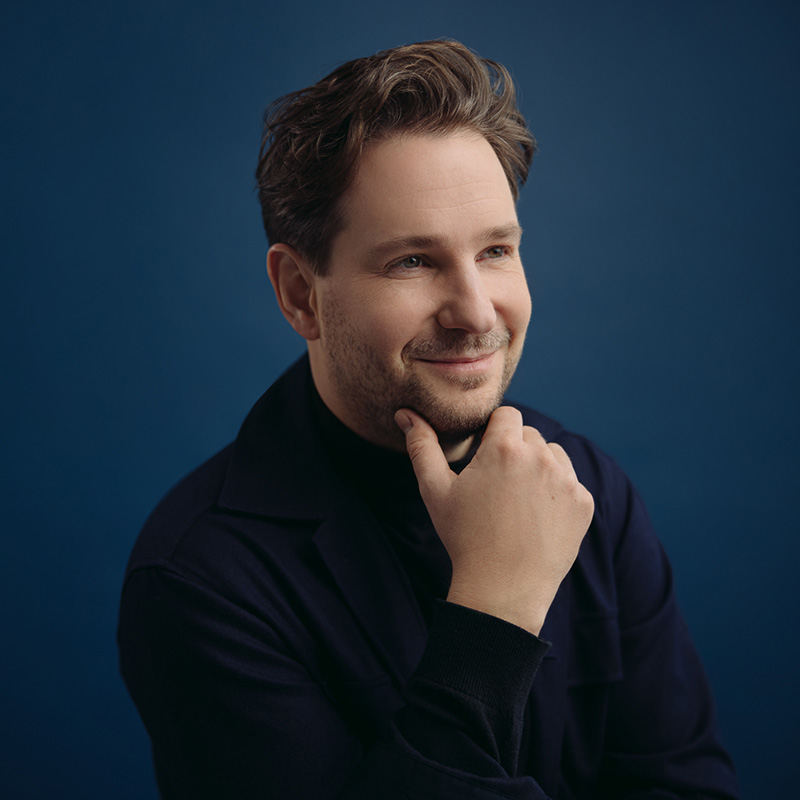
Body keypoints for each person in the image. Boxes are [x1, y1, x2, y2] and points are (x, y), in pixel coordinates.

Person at [118, 40, 739, 799]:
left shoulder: (585, 491)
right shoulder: (201, 579)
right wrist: (495, 611)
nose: (476, 312)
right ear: (301, 294)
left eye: (496, 250)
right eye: (413, 261)